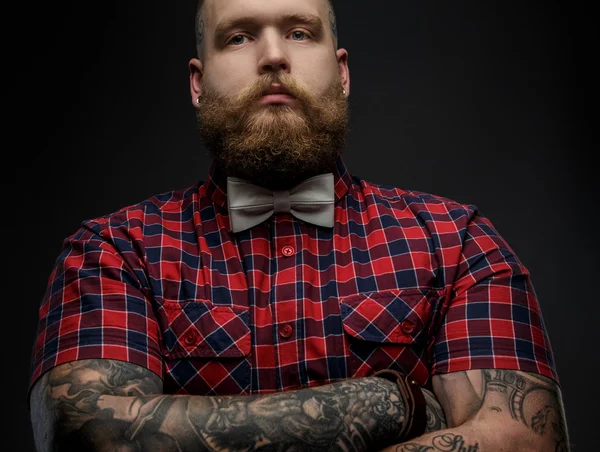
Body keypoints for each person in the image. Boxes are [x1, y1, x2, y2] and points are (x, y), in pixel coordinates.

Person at [28, 0, 570, 450]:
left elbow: (523, 441)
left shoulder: (459, 243)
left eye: (299, 32)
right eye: (238, 38)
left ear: (343, 72)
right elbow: (91, 435)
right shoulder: (113, 253)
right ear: (197, 83)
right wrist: (392, 404)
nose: (273, 56)